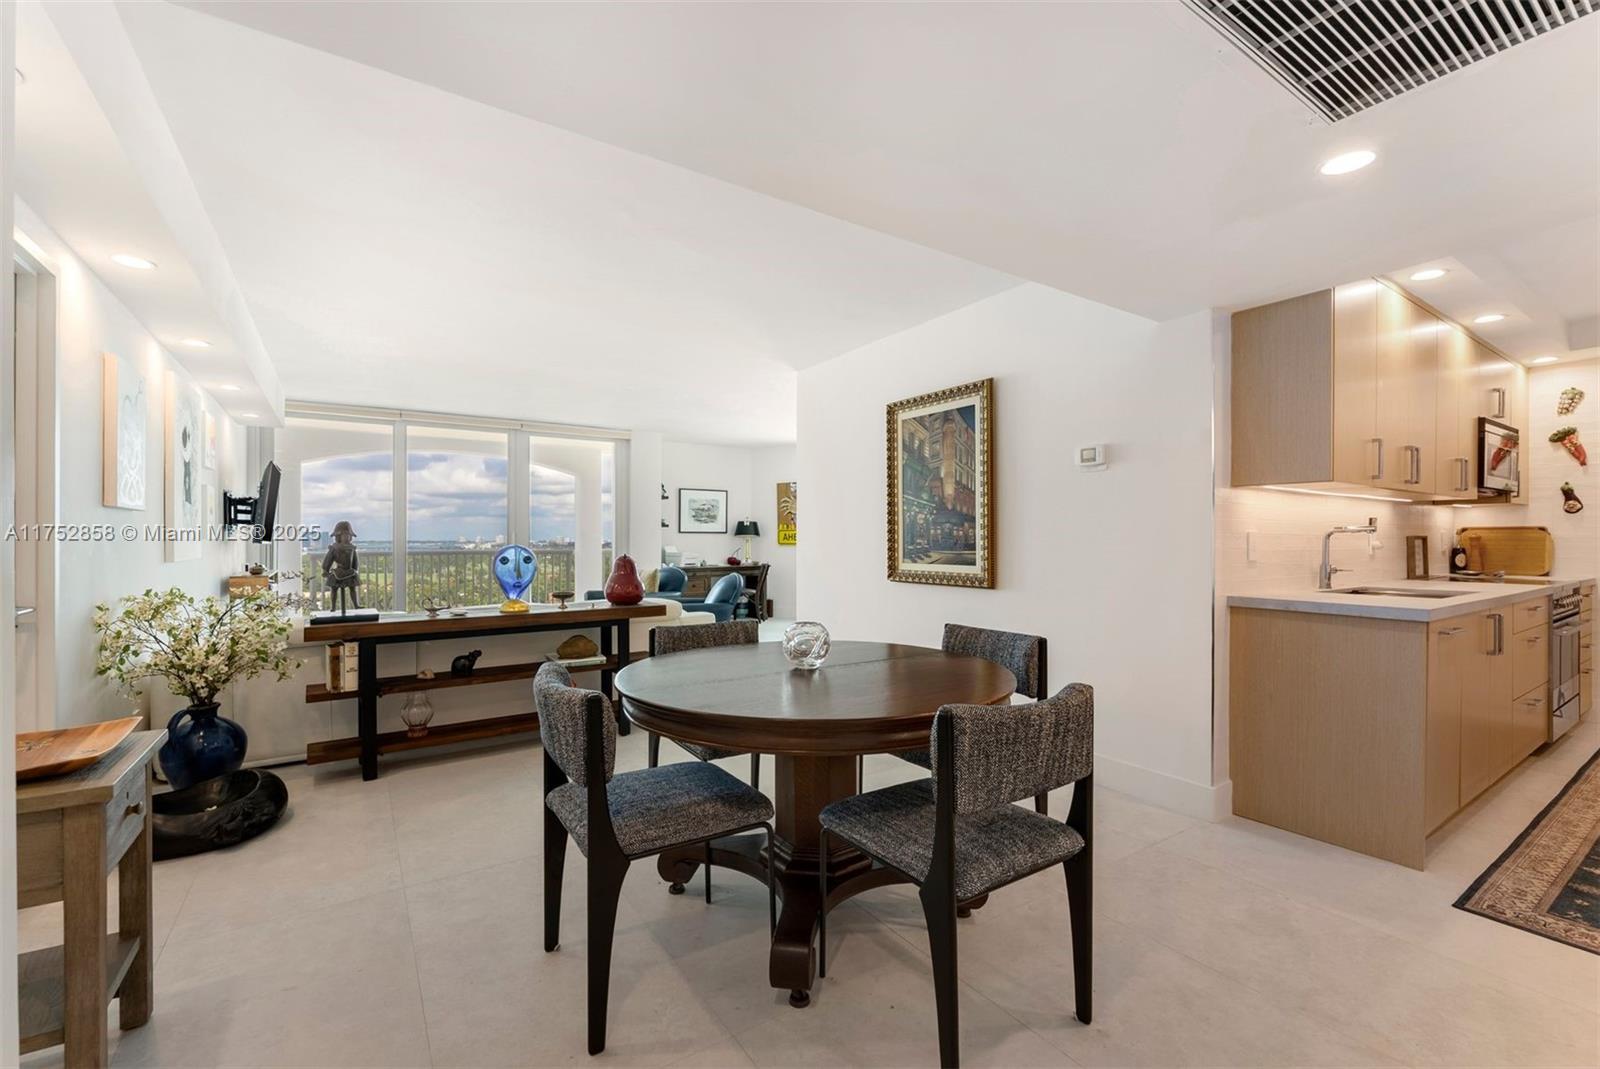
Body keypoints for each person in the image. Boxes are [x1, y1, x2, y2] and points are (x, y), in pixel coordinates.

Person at [321, 521, 362, 614]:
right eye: (345, 535)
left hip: (350, 571)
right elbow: (328, 559)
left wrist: (355, 568)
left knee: (352, 588)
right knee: (334, 589)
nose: (347, 537)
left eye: (348, 535)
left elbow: (355, 560)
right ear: (338, 536)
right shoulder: (334, 548)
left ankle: (356, 604)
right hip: (338, 571)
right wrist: (325, 569)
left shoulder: (352, 548)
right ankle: (333, 606)